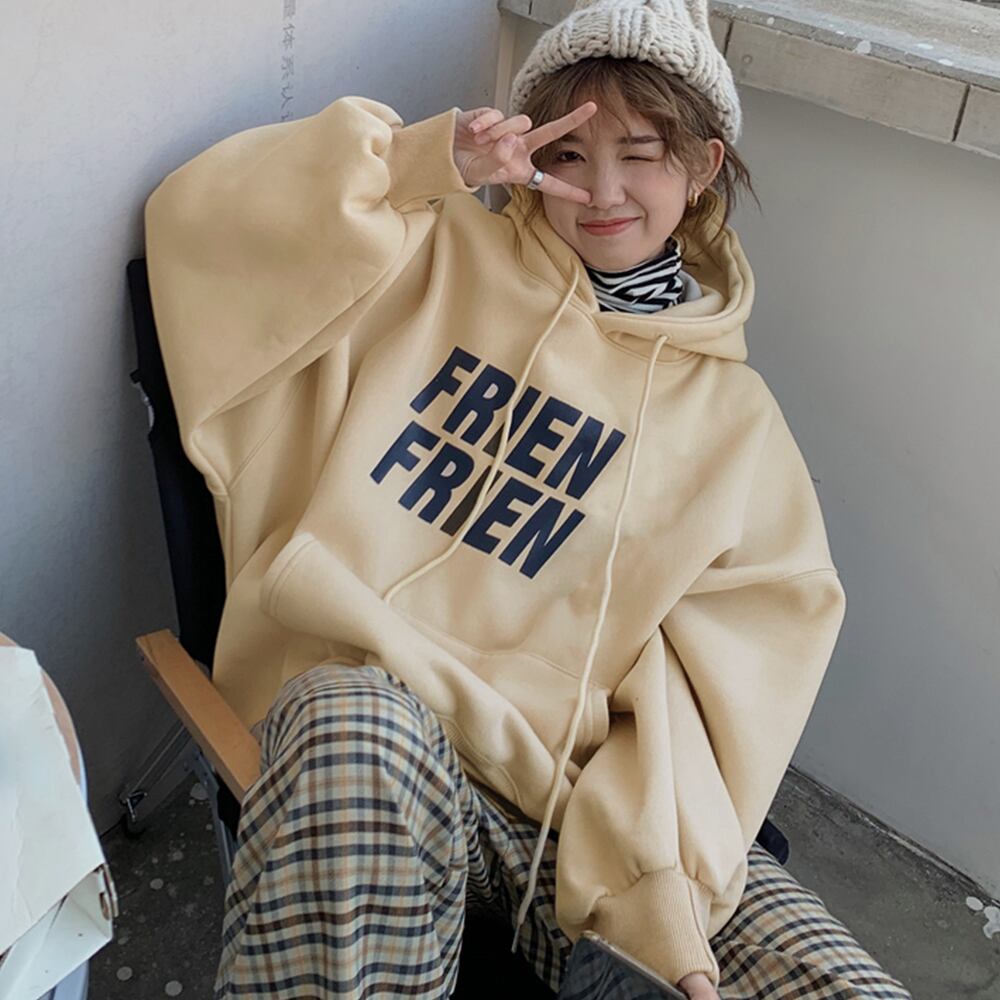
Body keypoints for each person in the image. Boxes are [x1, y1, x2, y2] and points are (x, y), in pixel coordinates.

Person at [143, 1, 914, 997]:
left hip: (588, 823)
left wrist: (657, 892)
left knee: (832, 979)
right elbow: (201, 218)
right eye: (569, 153)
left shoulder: (737, 425)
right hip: (377, 745)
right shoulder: (428, 259)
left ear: (703, 167)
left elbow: (714, 688)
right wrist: (424, 163)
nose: (602, 192)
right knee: (351, 727)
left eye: (641, 154)